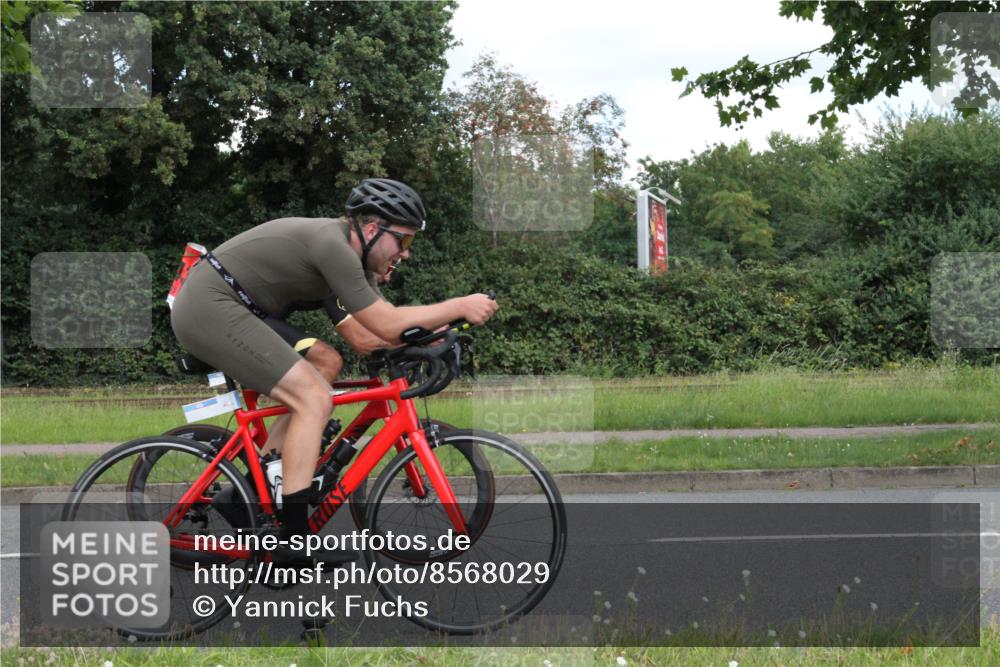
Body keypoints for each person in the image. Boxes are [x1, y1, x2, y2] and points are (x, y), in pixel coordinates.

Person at [170, 178, 498, 564]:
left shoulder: (348, 260)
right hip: (210, 305)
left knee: (324, 365)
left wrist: (436, 336)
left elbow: (366, 336)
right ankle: (293, 542)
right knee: (313, 398)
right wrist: (459, 305)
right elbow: (388, 323)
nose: (406, 254)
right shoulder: (333, 244)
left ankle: (264, 484)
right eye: (404, 241)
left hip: (240, 308)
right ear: (373, 229)